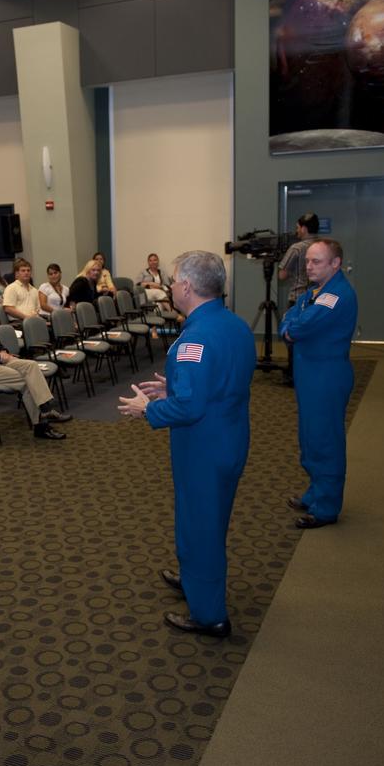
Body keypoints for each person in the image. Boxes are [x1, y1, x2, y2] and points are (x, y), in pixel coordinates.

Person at [117, 250, 255, 637]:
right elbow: (221, 382)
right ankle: (195, 578)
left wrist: (150, 410)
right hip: (229, 438)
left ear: (188, 288)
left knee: (200, 526)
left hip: (203, 449)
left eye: (175, 279)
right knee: (209, 521)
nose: (171, 284)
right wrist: (171, 387)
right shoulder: (236, 325)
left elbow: (191, 407)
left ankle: (209, 614)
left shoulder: (195, 339)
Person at [278, 238, 358, 530]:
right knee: (310, 438)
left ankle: (326, 507)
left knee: (325, 441)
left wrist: (291, 327)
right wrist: (291, 325)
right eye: (308, 261)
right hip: (310, 375)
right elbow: (287, 320)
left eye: (316, 261)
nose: (308, 266)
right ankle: (315, 493)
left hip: (326, 377)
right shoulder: (315, 292)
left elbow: (297, 326)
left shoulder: (335, 296)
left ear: (335, 264)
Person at [0, 284, 71, 440]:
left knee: (31, 366)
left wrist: (5, 352)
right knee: (26, 380)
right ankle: (42, 425)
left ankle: (45, 409)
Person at [277, 213, 320, 387]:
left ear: (303, 228)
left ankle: (294, 374)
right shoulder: (322, 245)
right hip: (317, 298)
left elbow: (282, 274)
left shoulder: (296, 248)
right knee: (312, 337)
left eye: (297, 227)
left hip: (297, 298)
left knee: (292, 336)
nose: (296, 231)